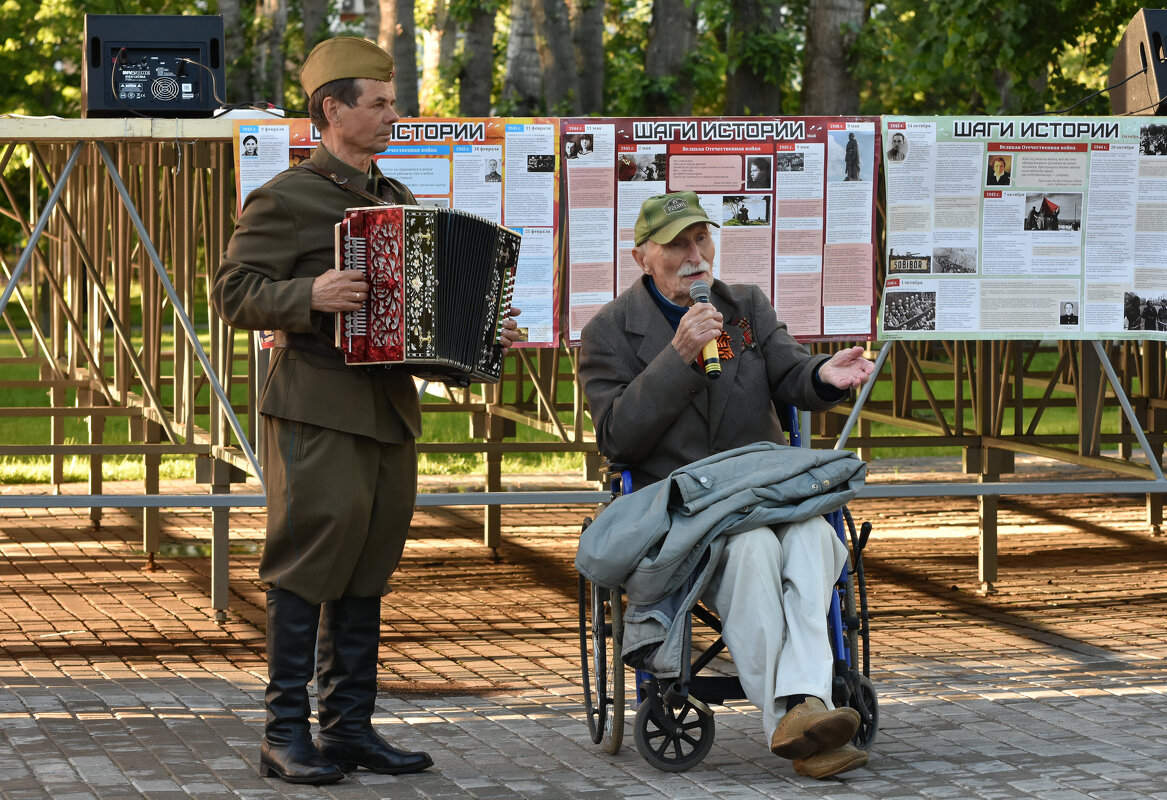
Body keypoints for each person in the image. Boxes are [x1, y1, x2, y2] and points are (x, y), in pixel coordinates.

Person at [211, 37, 520, 786]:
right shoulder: (286, 197)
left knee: (366, 570)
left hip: (388, 412)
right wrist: (306, 296)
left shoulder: (396, 200)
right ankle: (283, 734)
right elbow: (231, 293)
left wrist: (478, 337)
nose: (394, 115)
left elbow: (417, 323)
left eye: (392, 102)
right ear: (332, 110)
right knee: (306, 565)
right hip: (317, 408)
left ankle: (348, 727)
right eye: (379, 103)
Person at [577, 192, 875, 779]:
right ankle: (802, 715)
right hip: (689, 515)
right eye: (677, 244)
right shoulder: (608, 332)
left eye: (702, 240)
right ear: (642, 257)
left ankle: (801, 715)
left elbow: (792, 373)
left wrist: (824, 375)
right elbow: (617, 439)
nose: (695, 255)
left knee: (817, 539)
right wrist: (679, 355)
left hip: (767, 491)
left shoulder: (745, 307)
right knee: (752, 550)